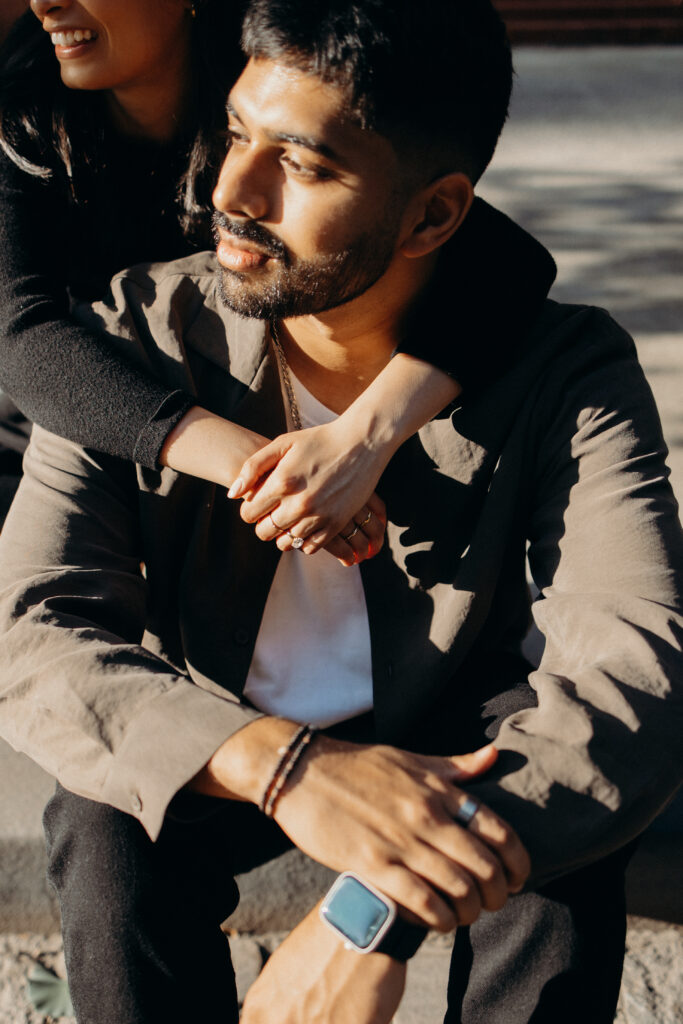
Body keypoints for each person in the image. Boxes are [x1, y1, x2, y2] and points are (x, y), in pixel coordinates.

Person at [1, 0, 682, 1021]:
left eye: (300, 164)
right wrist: (286, 768)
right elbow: (30, 630)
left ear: (433, 215)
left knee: (559, 838)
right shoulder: (137, 333)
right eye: (233, 133)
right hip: (222, 720)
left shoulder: (563, 371)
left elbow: (641, 663)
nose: (229, 192)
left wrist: (374, 902)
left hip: (447, 721)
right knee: (105, 825)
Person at [0, 1, 554, 551]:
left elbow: (508, 261)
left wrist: (361, 439)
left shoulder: (272, 69)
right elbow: (17, 334)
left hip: (245, 400)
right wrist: (274, 475)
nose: (44, 4)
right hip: (72, 413)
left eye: (298, 164)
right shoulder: (18, 102)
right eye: (236, 135)